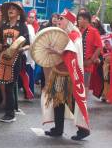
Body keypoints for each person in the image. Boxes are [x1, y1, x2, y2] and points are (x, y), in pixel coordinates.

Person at [42, 9, 90, 140]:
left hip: (69, 75)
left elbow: (70, 53)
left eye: (62, 19)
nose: (59, 20)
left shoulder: (74, 35)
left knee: (73, 102)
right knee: (58, 102)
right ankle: (58, 129)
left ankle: (83, 128)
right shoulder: (62, 33)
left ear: (68, 21)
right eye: (59, 18)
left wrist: (56, 51)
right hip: (59, 72)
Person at [77, 10, 102, 93]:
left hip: (87, 64)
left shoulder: (94, 31)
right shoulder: (78, 30)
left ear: (86, 20)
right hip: (77, 63)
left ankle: (83, 105)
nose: (78, 21)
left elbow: (99, 47)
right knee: (76, 85)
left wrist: (91, 61)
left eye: (80, 19)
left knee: (85, 85)